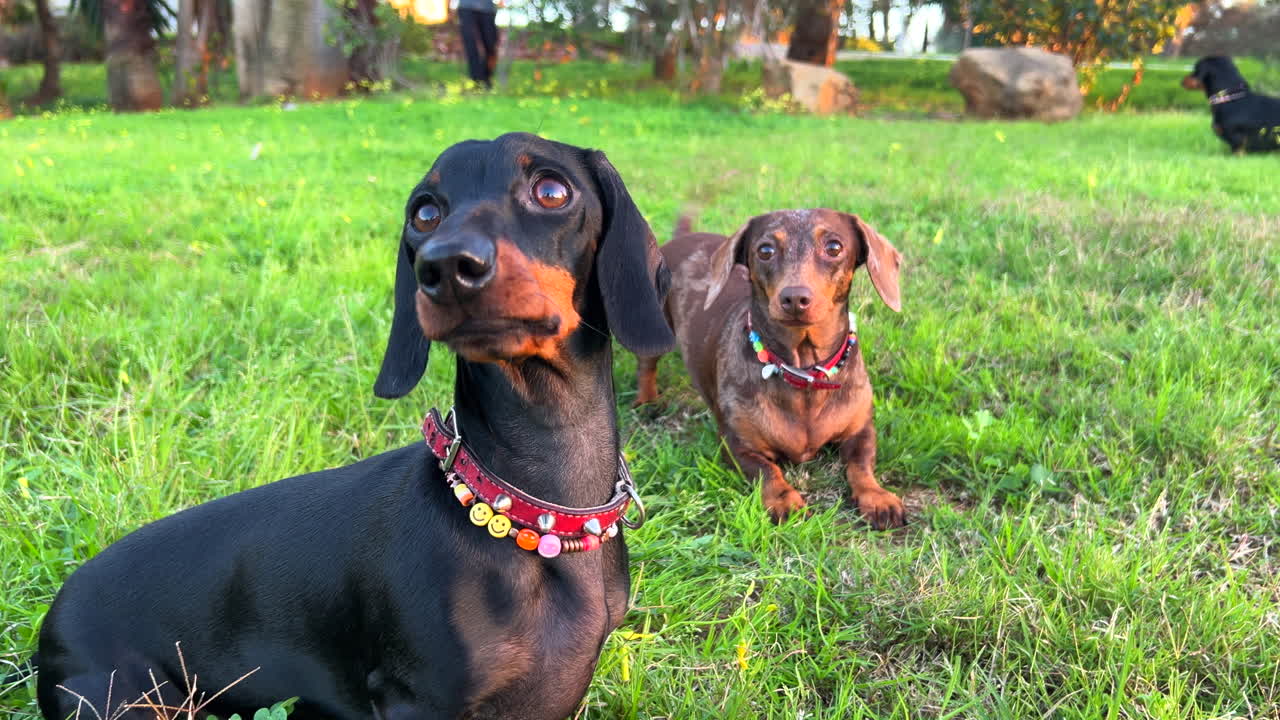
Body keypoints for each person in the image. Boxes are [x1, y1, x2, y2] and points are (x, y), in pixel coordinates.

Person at [457, 0, 499, 88]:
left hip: (487, 8)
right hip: (466, 7)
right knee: (470, 44)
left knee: (491, 44)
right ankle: (475, 80)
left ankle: (486, 77)